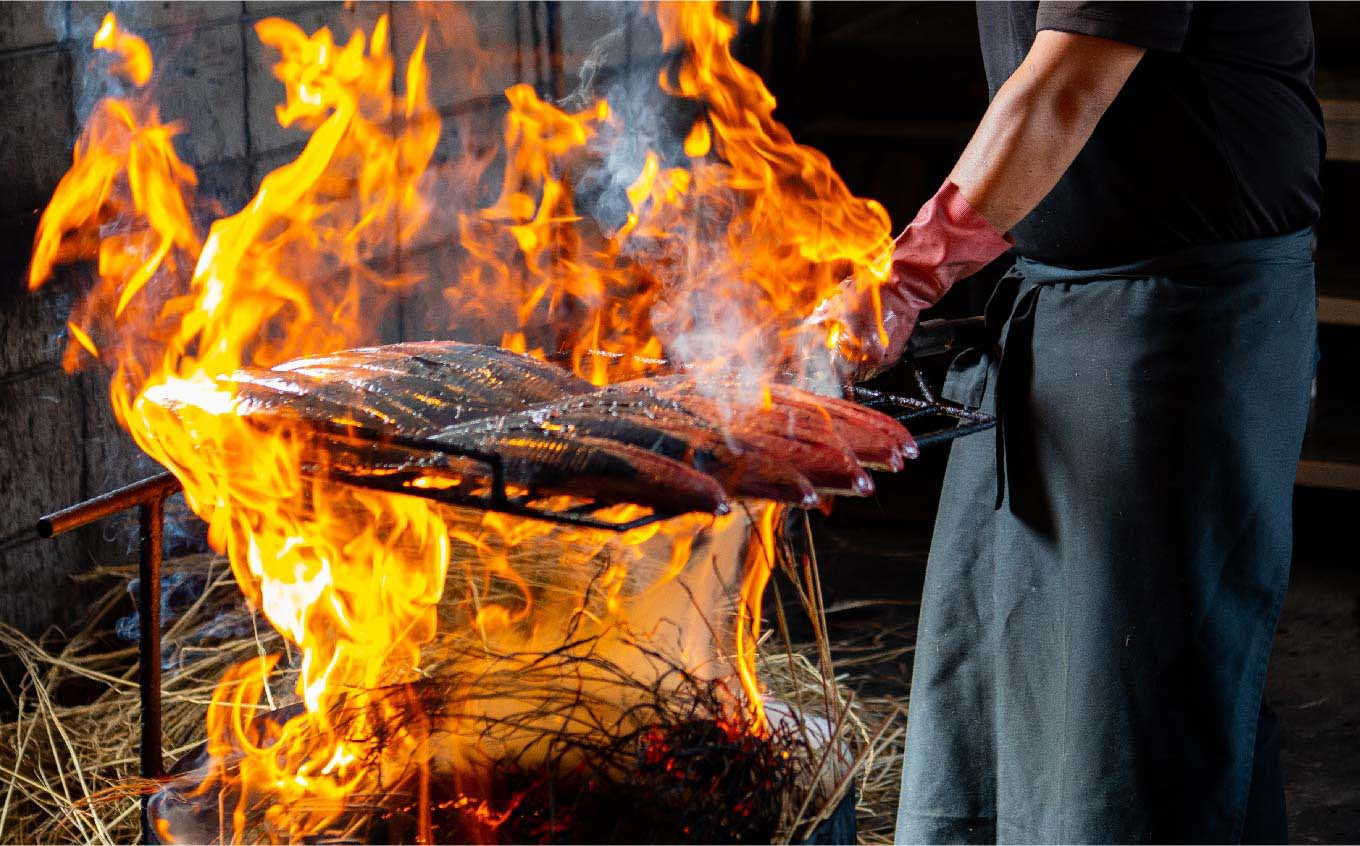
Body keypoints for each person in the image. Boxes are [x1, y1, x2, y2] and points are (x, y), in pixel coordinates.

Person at [812, 3, 1322, 843]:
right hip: (1050, 304)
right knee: (987, 688)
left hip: (1175, 324)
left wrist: (900, 280)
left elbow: (1062, 90)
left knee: (1141, 711)